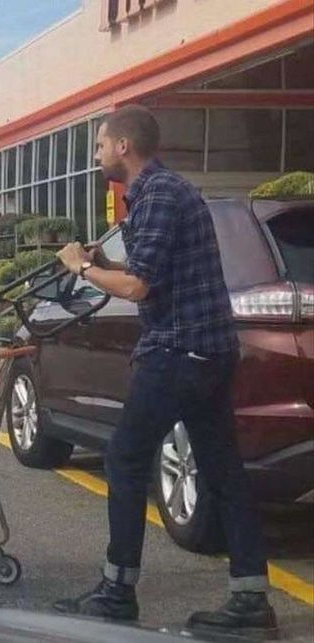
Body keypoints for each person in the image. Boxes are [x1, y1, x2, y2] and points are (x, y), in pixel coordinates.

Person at [53, 105, 276, 636]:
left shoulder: (155, 195)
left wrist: (82, 268)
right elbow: (148, 271)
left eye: (101, 145)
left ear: (124, 147)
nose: (98, 154)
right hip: (209, 350)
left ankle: (117, 591)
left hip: (180, 350)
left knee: (126, 457)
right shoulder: (167, 192)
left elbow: (139, 288)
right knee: (222, 469)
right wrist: (104, 264)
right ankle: (251, 599)